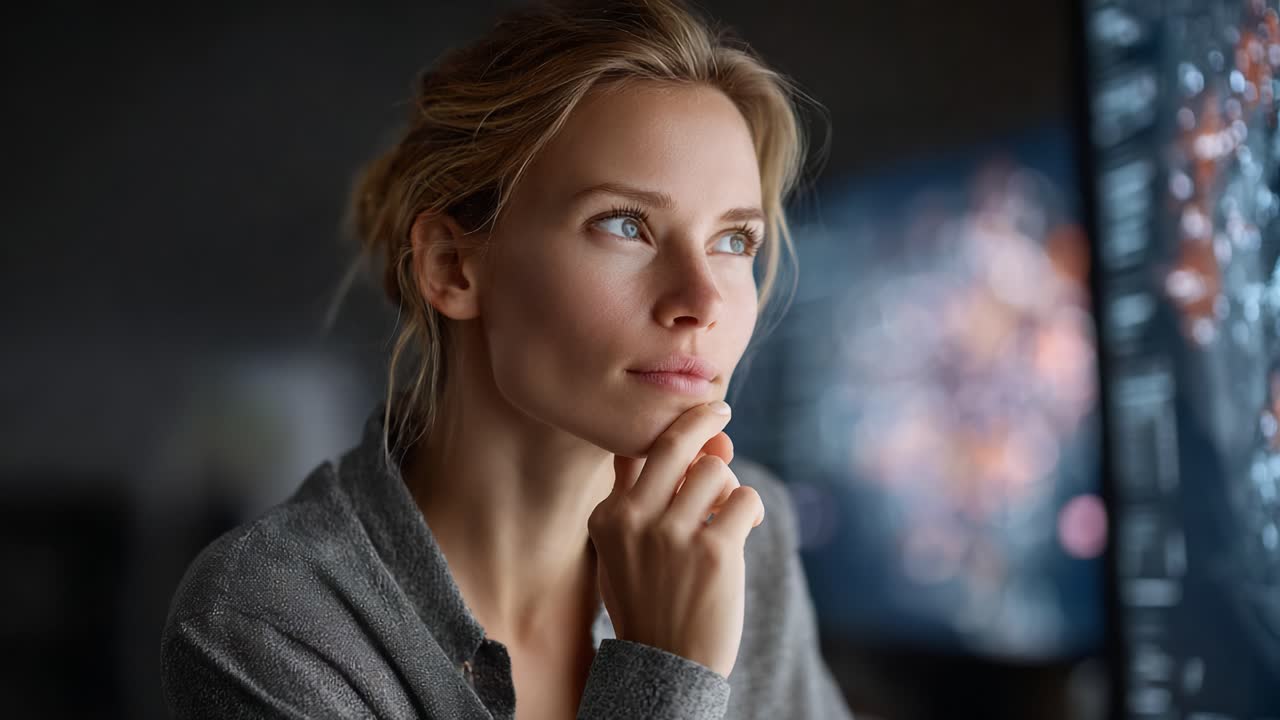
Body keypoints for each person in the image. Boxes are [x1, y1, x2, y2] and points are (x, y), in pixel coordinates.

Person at [160, 0, 852, 718]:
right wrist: (667, 675)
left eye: (735, 241)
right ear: (453, 267)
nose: (701, 299)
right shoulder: (267, 621)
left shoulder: (740, 535)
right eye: (625, 225)